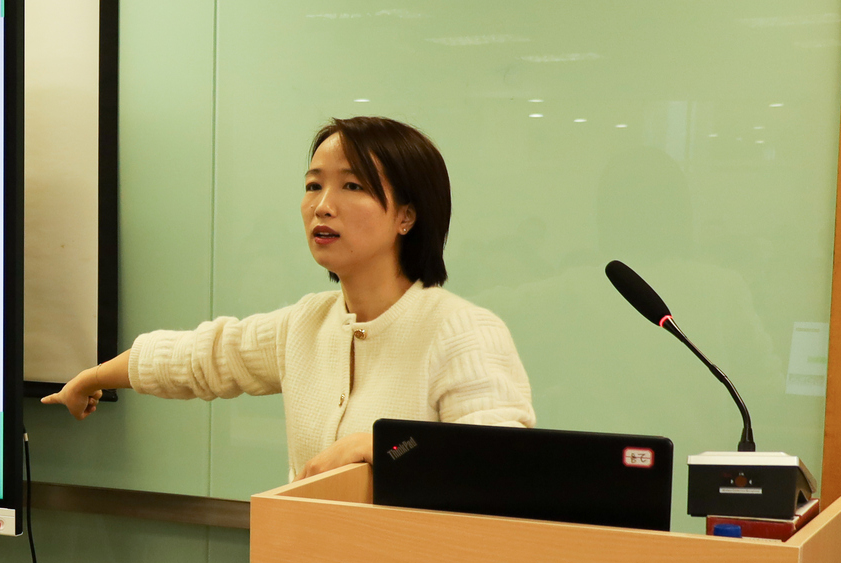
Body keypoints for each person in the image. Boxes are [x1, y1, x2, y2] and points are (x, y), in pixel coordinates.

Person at [42, 116, 535, 480]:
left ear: (406, 216)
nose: (323, 205)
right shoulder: (307, 324)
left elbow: (499, 458)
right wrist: (90, 378)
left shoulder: (460, 330)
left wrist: (382, 446)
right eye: (313, 185)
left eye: (352, 185)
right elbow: (199, 357)